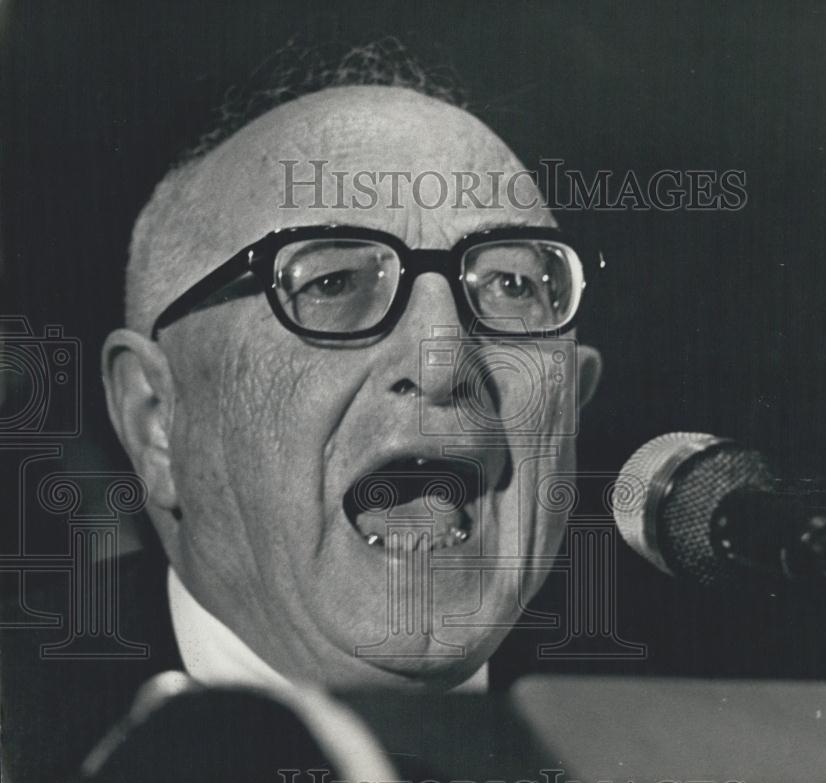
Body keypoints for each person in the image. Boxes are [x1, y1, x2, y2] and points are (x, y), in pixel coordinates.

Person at [1, 44, 603, 781]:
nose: (445, 363)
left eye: (511, 282)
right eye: (332, 282)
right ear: (157, 418)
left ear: (574, 400)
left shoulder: (717, 725)